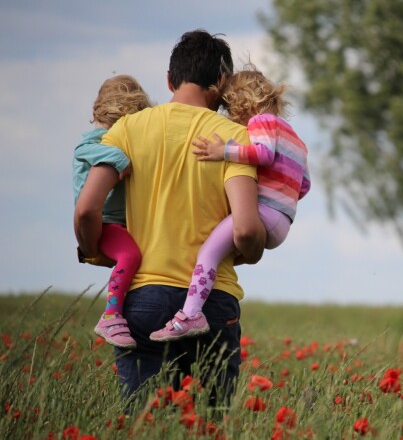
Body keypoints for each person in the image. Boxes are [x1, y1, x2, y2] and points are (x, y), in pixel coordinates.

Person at [74, 29, 266, 408]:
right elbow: (245, 229)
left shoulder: (127, 129)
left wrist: (93, 249)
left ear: (169, 79)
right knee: (209, 425)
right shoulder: (234, 139)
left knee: (145, 423)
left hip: (143, 300)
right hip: (212, 303)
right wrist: (253, 250)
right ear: (222, 83)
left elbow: (85, 209)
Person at [150, 66, 311, 342]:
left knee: (208, 253)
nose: (230, 116)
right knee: (221, 253)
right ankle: (199, 299)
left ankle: (190, 315)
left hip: (263, 213)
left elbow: (262, 154)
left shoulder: (262, 122)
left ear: (243, 102)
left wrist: (222, 151)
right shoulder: (296, 139)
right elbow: (304, 185)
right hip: (283, 221)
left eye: (230, 108)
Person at [72, 75, 151, 349]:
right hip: (105, 222)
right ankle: (111, 315)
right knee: (130, 255)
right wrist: (119, 159)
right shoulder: (98, 140)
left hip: (118, 222)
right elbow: (83, 150)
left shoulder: (115, 138)